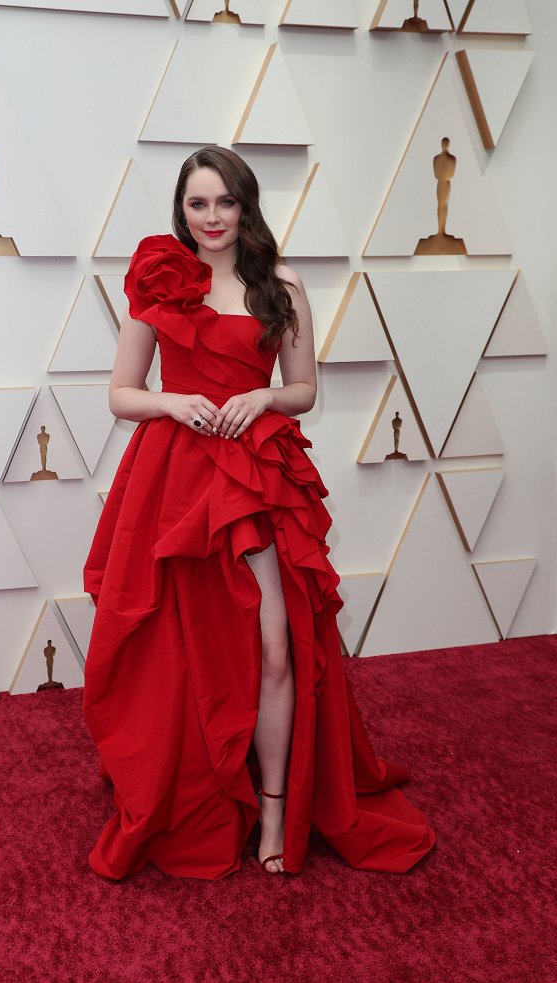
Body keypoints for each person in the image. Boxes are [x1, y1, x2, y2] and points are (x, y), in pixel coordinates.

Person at [83, 146, 435, 880]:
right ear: (180, 211)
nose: (210, 218)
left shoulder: (279, 283)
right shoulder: (161, 281)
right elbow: (120, 393)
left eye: (223, 202)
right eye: (195, 204)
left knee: (276, 645)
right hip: (176, 482)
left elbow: (302, 387)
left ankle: (274, 806)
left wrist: (263, 396)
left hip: (253, 477)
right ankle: (201, 789)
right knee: (185, 648)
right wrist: (169, 402)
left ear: (246, 206)